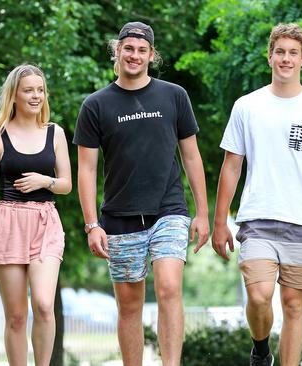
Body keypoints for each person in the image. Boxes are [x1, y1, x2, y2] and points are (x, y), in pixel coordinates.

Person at [73, 21, 209, 366]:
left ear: (152, 55)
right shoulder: (95, 105)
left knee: (168, 288)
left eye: (142, 50)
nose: (134, 55)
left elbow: (191, 157)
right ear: (116, 51)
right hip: (119, 216)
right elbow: (86, 170)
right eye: (128, 48)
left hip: (169, 210)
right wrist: (92, 224)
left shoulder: (174, 96)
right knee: (130, 305)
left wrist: (203, 213)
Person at [211, 23, 302, 366]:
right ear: (270, 56)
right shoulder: (247, 106)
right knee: (259, 296)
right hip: (257, 218)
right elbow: (231, 166)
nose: (285, 59)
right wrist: (219, 221)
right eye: (280, 52)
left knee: (293, 304)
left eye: (293, 53)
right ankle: (260, 349)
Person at [0, 64, 71, 366]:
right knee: (16, 315)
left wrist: (46, 181)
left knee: (43, 304)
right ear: (14, 94)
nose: (36, 96)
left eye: (40, 90)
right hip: (8, 222)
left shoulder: (55, 133)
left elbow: (66, 184)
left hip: (46, 222)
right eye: (29, 90)